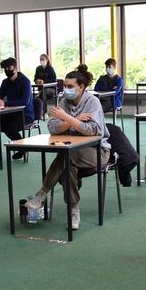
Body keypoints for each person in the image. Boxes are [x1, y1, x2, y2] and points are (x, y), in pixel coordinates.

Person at [22, 70, 110, 230]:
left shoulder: (92, 102)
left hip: (97, 151)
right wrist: (75, 120)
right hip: (72, 152)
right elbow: (52, 127)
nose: (66, 89)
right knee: (68, 166)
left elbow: (92, 130)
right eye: (65, 86)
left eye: (70, 86)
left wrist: (67, 118)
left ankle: (42, 194)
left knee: (67, 154)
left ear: (81, 87)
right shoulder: (64, 102)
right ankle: (73, 209)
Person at [0, 57, 33, 168]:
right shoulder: (5, 82)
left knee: (8, 127)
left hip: (25, 114)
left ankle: (22, 147)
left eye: (9, 68)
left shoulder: (25, 81)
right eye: (5, 68)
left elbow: (24, 101)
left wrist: (5, 103)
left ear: (15, 68)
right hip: (10, 113)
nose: (7, 70)